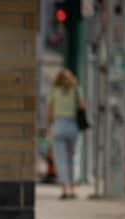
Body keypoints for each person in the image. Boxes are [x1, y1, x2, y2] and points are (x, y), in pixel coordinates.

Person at [46, 68, 87, 199]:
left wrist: (49, 128)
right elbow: (83, 106)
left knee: (60, 158)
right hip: (72, 125)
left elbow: (49, 112)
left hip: (58, 125)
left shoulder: (54, 91)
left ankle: (64, 189)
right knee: (74, 157)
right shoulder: (76, 89)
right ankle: (73, 189)